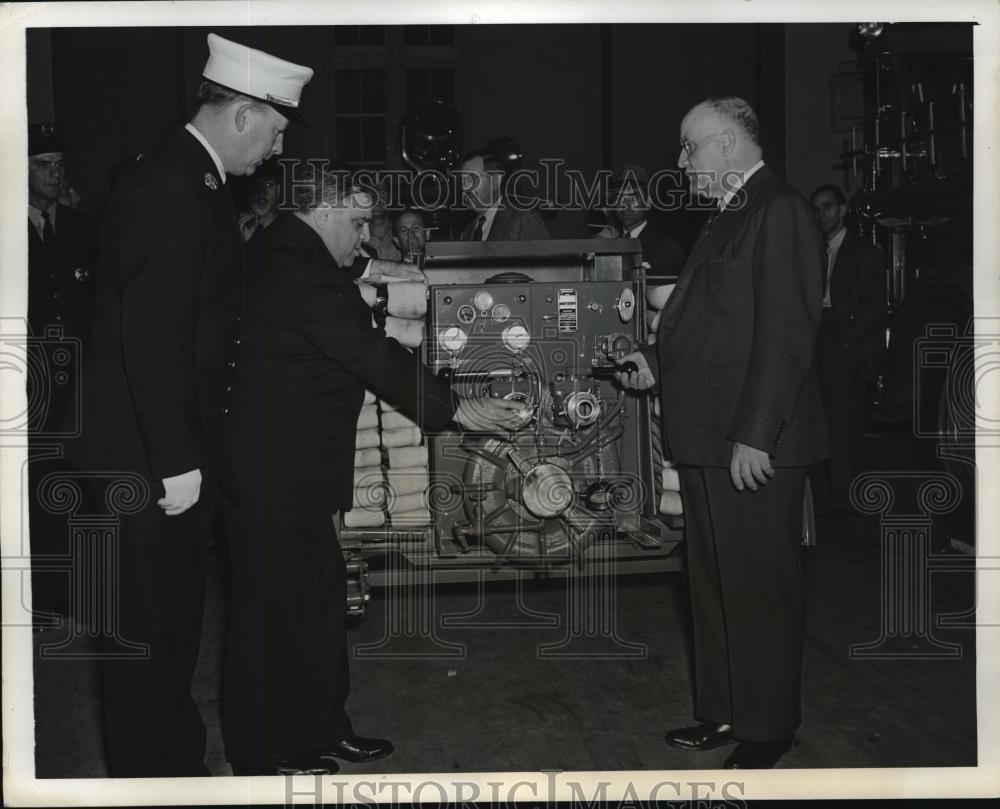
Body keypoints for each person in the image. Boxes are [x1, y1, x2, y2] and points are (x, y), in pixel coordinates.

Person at [221, 166, 526, 776]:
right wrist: (458, 408)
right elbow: (373, 354)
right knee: (270, 615)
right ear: (324, 210)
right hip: (273, 477)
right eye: (358, 222)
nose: (364, 237)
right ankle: (259, 756)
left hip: (298, 471)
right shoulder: (295, 269)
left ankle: (319, 731)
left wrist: (382, 270)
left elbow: (353, 274)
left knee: (317, 604)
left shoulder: (291, 249)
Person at [80, 33, 314, 777]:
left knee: (169, 640)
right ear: (243, 113)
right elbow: (154, 343)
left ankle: (171, 770)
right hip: (146, 468)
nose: (276, 150)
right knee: (146, 647)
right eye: (275, 129)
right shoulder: (171, 190)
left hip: (160, 461)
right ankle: (154, 783)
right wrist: (178, 462)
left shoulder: (194, 182)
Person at [616, 97, 828, 769]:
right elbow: (699, 318)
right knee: (712, 583)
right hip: (710, 437)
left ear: (729, 144)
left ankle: (768, 726)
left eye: (691, 147)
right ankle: (725, 710)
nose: (682, 162)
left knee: (759, 585)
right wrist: (650, 361)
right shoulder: (729, 215)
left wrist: (757, 434)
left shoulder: (780, 210)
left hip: (751, 442)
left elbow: (787, 335)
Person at [26, 121, 98, 619]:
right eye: (43, 166)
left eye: (59, 166)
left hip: (75, 380)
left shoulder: (80, 228)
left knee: (80, 483)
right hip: (24, 384)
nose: (55, 175)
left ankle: (80, 592)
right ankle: (44, 598)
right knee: (34, 488)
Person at [810, 184, 886, 517]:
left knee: (844, 423)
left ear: (843, 210)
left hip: (845, 342)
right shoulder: (812, 250)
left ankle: (845, 499)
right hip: (817, 338)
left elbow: (874, 307)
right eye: (816, 208)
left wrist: (846, 342)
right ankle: (824, 499)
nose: (821, 214)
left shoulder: (864, 252)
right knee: (818, 420)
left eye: (827, 206)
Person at [598, 163, 686, 281]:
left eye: (634, 198)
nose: (625, 205)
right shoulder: (607, 245)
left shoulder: (667, 249)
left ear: (648, 202)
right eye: (619, 198)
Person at [457, 149, 549, 241]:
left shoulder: (523, 221)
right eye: (463, 180)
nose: (465, 187)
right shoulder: (468, 231)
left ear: (495, 181)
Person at [237, 157, 282, 242]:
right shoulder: (232, 228)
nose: (262, 192)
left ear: (278, 190)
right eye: (255, 185)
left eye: (269, 184)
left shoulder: (291, 233)